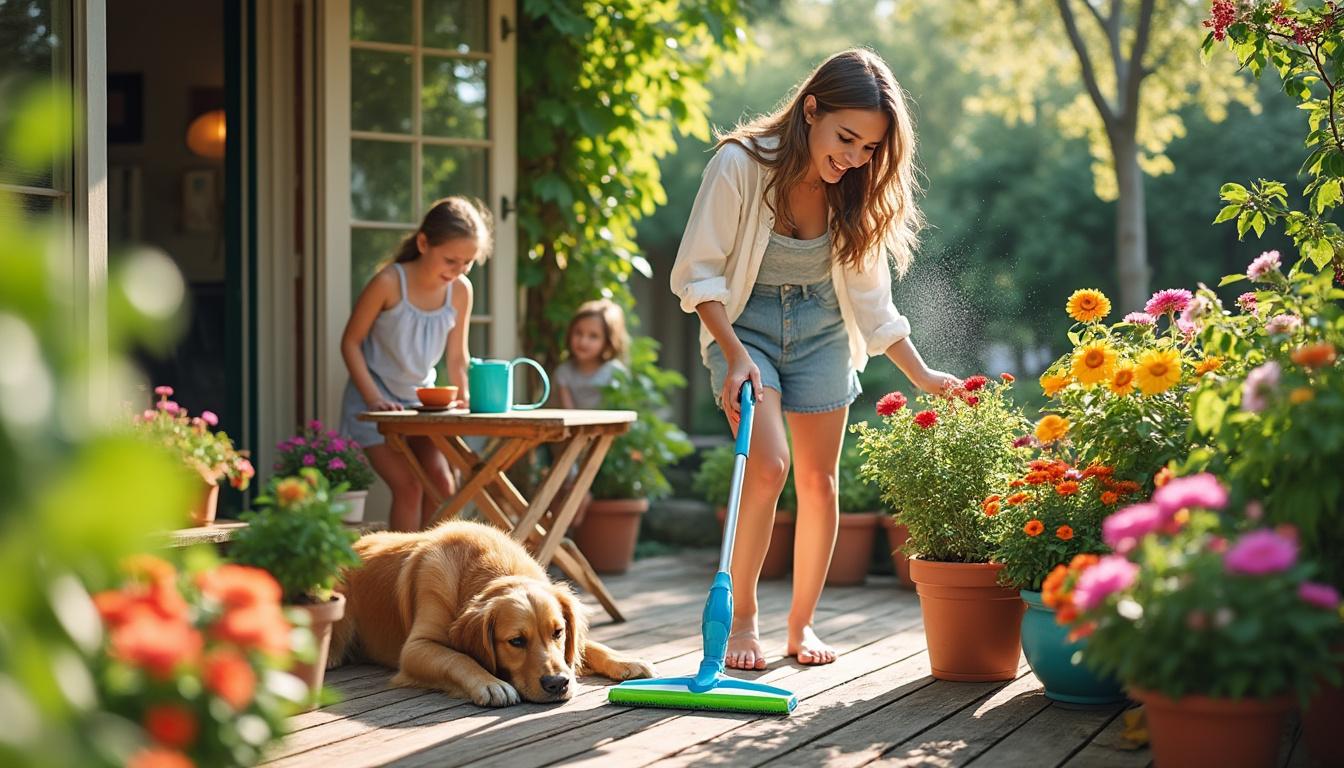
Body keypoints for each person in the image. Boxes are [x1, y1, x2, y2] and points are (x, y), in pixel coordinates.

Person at [669, 49, 961, 670]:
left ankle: (800, 625)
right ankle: (742, 617)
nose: (854, 158)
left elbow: (873, 306)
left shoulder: (853, 190)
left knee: (819, 483)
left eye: (868, 149)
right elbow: (698, 275)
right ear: (810, 110)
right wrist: (734, 355)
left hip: (823, 333)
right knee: (768, 465)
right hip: (743, 330)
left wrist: (924, 375)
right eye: (845, 138)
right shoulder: (740, 165)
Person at [339, 196, 491, 532]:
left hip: (421, 407)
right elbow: (349, 343)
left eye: (467, 263)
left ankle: (432, 574)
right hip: (374, 408)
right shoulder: (389, 283)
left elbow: (456, 356)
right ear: (423, 243)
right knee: (409, 487)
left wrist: (464, 395)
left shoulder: (460, 291)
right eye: (450, 260)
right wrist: (373, 399)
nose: (458, 271)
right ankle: (398, 578)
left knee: (444, 486)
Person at [552, 299, 630, 410]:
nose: (583, 341)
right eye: (578, 332)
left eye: (593, 336)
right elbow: (568, 415)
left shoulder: (616, 373)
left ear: (608, 342)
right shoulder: (564, 373)